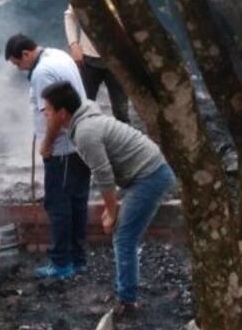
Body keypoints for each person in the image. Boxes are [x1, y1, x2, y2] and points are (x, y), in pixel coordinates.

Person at [41, 80, 175, 313]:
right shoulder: (83, 120)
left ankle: (127, 301)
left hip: (150, 176)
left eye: (48, 110)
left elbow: (103, 175)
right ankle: (126, 294)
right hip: (144, 172)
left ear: (62, 113)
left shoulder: (85, 133)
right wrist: (110, 207)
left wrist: (112, 212)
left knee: (123, 237)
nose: (45, 114)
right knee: (123, 233)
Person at [5, 34, 91, 279]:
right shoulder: (59, 54)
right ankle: (78, 259)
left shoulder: (42, 72)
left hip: (63, 149)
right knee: (76, 204)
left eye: (16, 63)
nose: (18, 69)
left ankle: (62, 263)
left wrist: (46, 144)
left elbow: (54, 116)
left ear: (26, 54)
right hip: (80, 143)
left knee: (59, 206)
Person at [64, 0, 130, 123]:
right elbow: (69, 16)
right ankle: (84, 144)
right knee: (84, 107)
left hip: (118, 61)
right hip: (88, 60)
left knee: (121, 111)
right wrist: (73, 44)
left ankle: (123, 146)